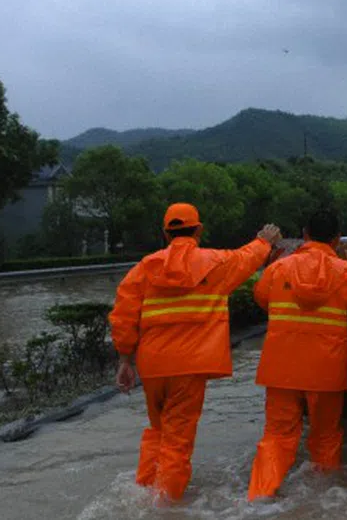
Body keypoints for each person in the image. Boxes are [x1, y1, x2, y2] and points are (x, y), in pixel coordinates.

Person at [109, 202, 282, 504]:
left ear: (165, 234)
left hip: (152, 365)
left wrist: (125, 360)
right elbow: (247, 258)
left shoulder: (143, 269)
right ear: (199, 230)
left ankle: (145, 490)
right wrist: (265, 241)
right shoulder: (215, 264)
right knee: (177, 441)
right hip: (190, 367)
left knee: (157, 430)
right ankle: (165, 506)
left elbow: (123, 317)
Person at [246, 209, 347, 501]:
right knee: (326, 437)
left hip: (281, 369)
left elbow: (261, 296)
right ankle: (325, 500)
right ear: (336, 239)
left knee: (277, 437)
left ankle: (260, 497)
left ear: (305, 234)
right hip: (326, 371)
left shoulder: (279, 269)